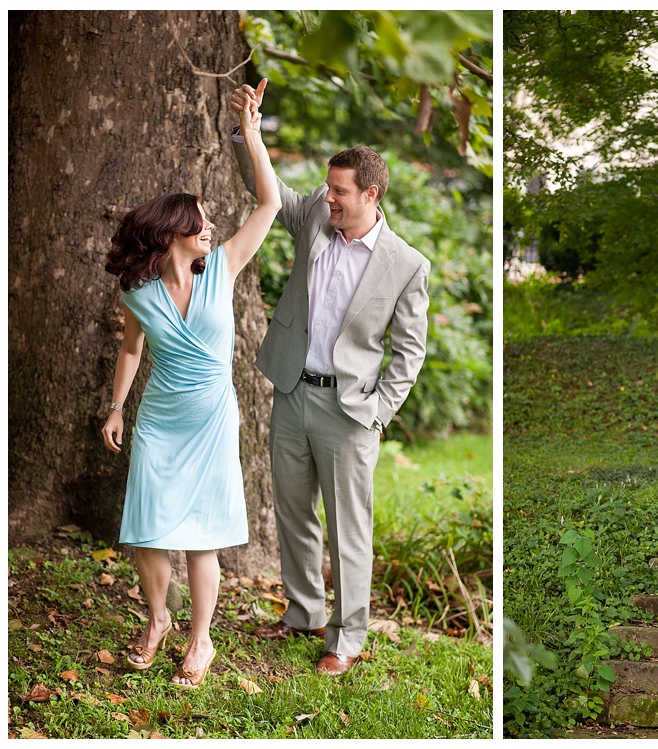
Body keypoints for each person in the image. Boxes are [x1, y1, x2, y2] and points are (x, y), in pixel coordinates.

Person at [229, 81, 430, 677]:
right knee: (292, 512)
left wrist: (378, 410)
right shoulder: (315, 215)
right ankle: (304, 613)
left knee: (348, 530)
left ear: (370, 194)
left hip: (350, 412)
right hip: (292, 391)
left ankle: (347, 637)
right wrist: (250, 132)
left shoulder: (407, 265)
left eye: (340, 191)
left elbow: (409, 352)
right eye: (328, 188)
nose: (328, 197)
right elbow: (263, 189)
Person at [101, 85, 280, 688]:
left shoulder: (223, 268)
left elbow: (270, 203)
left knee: (202, 534)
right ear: (174, 230)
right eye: (201, 219)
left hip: (211, 419)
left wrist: (250, 132)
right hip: (157, 419)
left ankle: (201, 640)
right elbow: (131, 349)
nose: (211, 225)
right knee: (146, 527)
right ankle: (158, 620)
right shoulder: (139, 293)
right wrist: (117, 408)